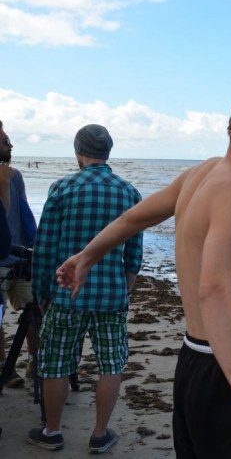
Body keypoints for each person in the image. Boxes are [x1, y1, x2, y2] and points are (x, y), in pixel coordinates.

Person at [56, 85, 231, 459]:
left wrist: (87, 256)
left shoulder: (202, 173)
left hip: (194, 362)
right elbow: (215, 288)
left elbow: (134, 218)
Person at [26, 124, 144, 453]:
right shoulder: (129, 192)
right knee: (111, 365)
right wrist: (125, 290)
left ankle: (52, 431)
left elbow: (45, 248)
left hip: (66, 294)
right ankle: (100, 434)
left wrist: (43, 292)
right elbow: (134, 254)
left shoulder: (63, 188)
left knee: (56, 364)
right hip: (111, 296)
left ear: (78, 151)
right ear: (108, 152)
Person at [0, 120, 37, 390]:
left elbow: (25, 214)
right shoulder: (7, 178)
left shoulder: (15, 176)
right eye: (5, 141)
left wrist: (34, 249)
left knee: (32, 312)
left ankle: (35, 361)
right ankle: (5, 367)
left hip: (19, 258)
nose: (11, 145)